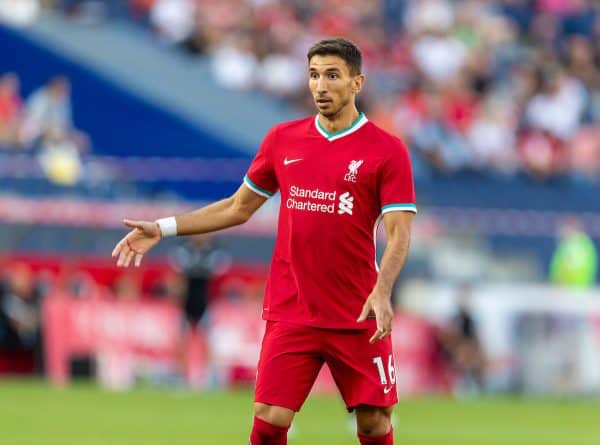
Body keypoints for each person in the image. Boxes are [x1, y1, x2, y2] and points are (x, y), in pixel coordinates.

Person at [112, 38, 416, 445]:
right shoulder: (283, 140)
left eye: (332, 75)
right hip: (292, 308)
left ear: (357, 82)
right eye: (313, 75)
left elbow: (399, 231)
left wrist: (382, 291)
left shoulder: (386, 150)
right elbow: (238, 207)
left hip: (359, 311)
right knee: (269, 419)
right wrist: (164, 227)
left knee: (374, 423)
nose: (321, 86)